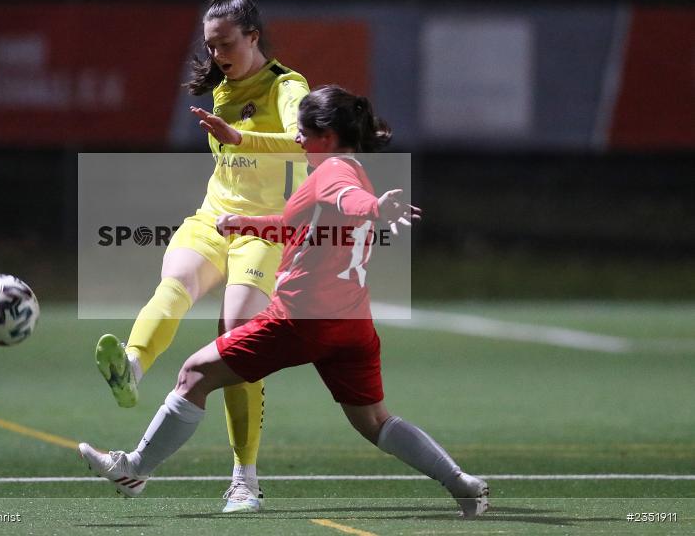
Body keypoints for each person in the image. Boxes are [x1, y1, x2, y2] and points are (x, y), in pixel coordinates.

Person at [79, 86, 490, 519]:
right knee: (374, 422)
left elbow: (346, 199)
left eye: (301, 132)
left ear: (327, 137)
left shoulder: (333, 173)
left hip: (299, 320)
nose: (295, 139)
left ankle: (136, 469)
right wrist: (248, 224)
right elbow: (303, 223)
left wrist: (374, 209)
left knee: (194, 374)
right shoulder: (348, 169)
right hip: (351, 325)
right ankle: (461, 483)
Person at [93, 0, 310, 512]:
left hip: (263, 229)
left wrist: (240, 139)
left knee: (236, 336)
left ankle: (245, 479)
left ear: (253, 36)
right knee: (176, 282)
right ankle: (132, 367)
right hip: (213, 218)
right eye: (210, 46)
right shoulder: (220, 89)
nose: (217, 56)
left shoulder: (288, 85)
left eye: (226, 44)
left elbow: (306, 139)